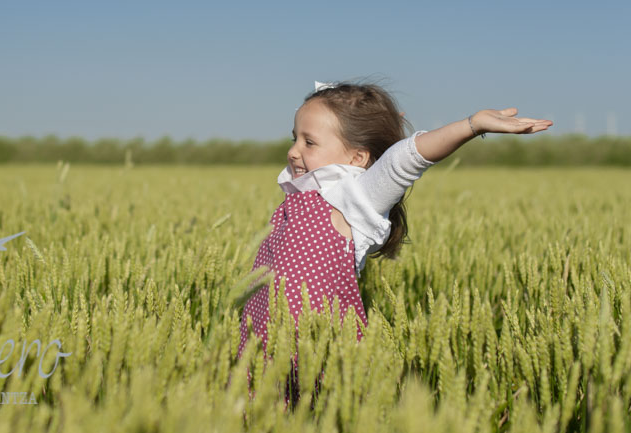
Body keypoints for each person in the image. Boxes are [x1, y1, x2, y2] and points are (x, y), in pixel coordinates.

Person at [234, 80, 553, 410]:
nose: (293, 151)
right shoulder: (298, 199)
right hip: (263, 342)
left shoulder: (354, 199)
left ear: (357, 158)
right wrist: (380, 123)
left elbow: (405, 159)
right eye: (294, 138)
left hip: (315, 353)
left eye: (309, 142)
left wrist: (471, 125)